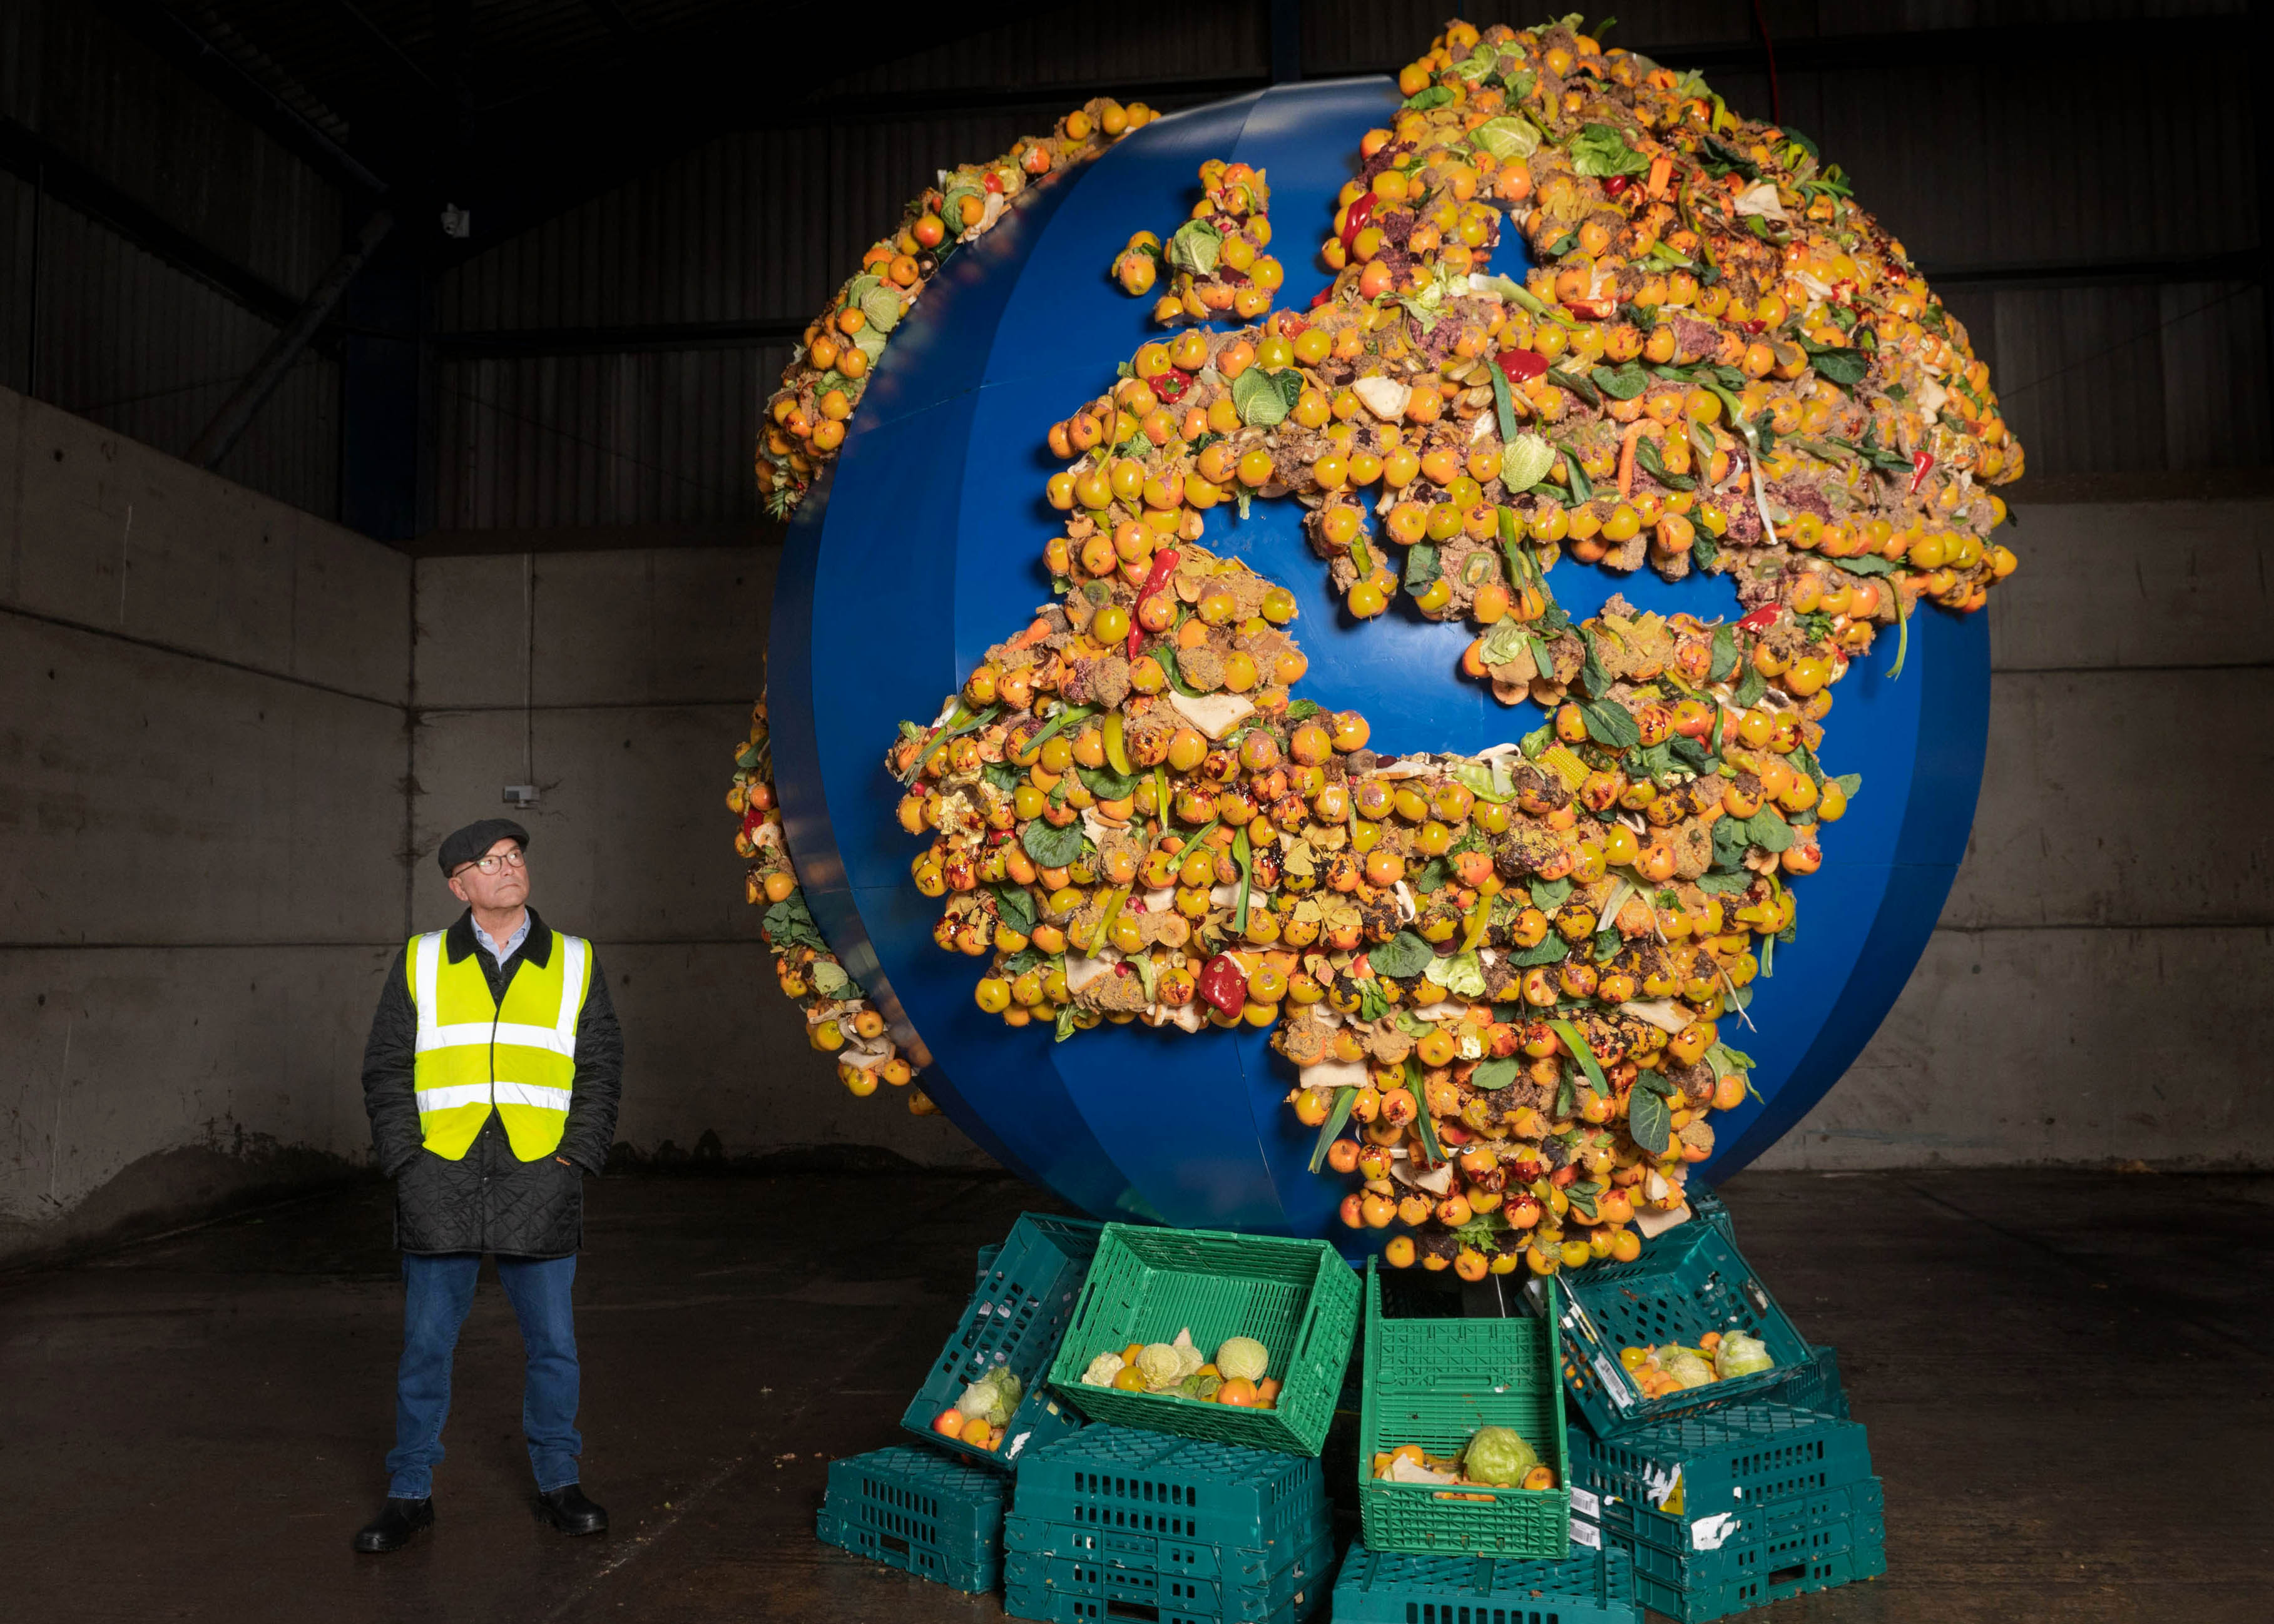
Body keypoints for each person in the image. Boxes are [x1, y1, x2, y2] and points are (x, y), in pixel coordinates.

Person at [352, 818, 623, 1553]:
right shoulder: (422, 959)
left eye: (514, 857)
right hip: (440, 1176)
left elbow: (599, 1066)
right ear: (458, 884)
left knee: (555, 1349)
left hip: (542, 1174)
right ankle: (410, 1493)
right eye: (489, 862)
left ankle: (559, 1483)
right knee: (426, 1348)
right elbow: (386, 1068)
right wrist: (408, 1161)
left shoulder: (573, 959)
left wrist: (576, 1158)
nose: (508, 869)